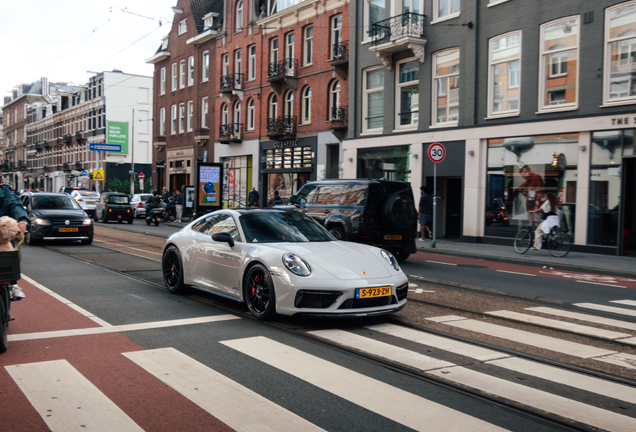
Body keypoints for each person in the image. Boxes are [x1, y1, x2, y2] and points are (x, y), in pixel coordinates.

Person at [0, 184, 28, 299]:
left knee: (11, 254)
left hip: (3, 233)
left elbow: (16, 206)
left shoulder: (7, 194)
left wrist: (22, 220)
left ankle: (14, 285)